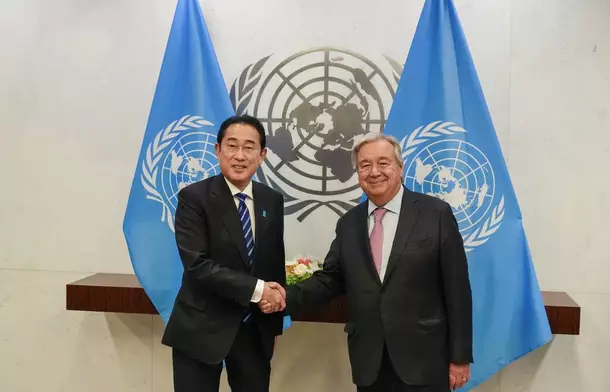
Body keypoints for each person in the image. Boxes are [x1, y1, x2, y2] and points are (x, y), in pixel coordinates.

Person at [266, 133, 473, 391]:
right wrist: (283, 296)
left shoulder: (436, 214)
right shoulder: (349, 223)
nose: (374, 172)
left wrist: (460, 357)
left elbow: (458, 290)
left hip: (424, 360)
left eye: (383, 163)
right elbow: (331, 279)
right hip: (370, 362)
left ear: (400, 167)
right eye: (365, 165)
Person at [162, 114, 287, 392]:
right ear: (217, 150)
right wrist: (258, 290)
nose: (240, 155)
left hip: (254, 332)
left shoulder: (272, 200)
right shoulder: (194, 198)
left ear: (262, 154)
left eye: (249, 147)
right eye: (232, 146)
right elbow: (198, 265)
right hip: (201, 329)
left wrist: (273, 323)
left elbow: (273, 263)